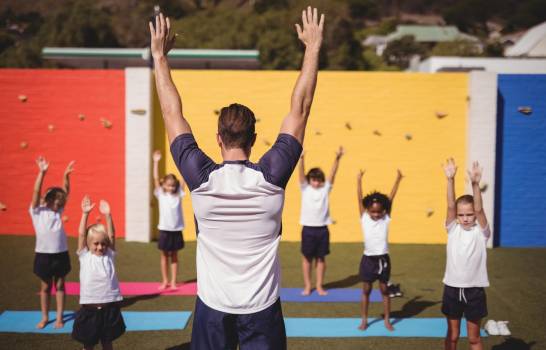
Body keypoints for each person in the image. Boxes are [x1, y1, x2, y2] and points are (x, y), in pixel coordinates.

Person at [149, 7, 324, 349]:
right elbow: (300, 108)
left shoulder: (200, 178)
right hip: (262, 310)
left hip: (213, 310)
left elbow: (171, 112)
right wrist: (313, 48)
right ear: (255, 139)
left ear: (218, 138)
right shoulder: (271, 177)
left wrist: (159, 55)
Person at [442, 159, 489, 350]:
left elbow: (479, 209)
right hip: (452, 289)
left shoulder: (482, 232)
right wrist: (450, 180)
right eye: (462, 215)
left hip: (474, 291)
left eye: (469, 214)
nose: (465, 218)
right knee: (452, 336)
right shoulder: (453, 229)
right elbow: (451, 205)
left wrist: (475, 184)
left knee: (473, 338)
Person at [72, 196, 125, 350]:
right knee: (88, 344)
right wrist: (85, 214)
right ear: (89, 244)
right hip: (89, 310)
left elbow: (112, 235)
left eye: (103, 243)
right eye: (96, 243)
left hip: (109, 309)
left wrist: (108, 215)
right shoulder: (84, 255)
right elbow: (81, 234)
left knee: (107, 343)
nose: (100, 247)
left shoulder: (110, 254)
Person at [356, 168, 403, 331]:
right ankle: (364, 320)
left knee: (384, 290)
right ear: (367, 209)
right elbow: (359, 198)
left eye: (378, 211)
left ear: (383, 210)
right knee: (366, 290)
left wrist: (398, 180)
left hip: (383, 260)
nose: (376, 214)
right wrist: (359, 180)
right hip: (368, 260)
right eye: (372, 211)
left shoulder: (386, 218)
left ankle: (387, 320)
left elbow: (391, 198)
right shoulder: (364, 217)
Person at [30, 156, 74, 329]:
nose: (59, 202)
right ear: (47, 199)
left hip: (60, 253)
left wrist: (66, 175)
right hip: (43, 254)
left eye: (60, 201)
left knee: (61, 285)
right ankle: (45, 316)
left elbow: (66, 191)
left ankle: (59, 317)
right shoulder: (36, 211)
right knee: (45, 286)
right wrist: (42, 172)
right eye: (56, 199)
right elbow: (36, 192)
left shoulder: (58, 211)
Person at [298, 147, 344, 296]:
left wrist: (337, 159)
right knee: (306, 259)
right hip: (308, 229)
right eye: (314, 180)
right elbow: (300, 175)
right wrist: (301, 159)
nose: (316, 183)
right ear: (309, 180)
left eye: (319, 180)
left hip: (322, 229)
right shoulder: (305, 188)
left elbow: (332, 174)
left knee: (321, 259)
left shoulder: (325, 189)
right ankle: (307, 286)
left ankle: (319, 286)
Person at [152, 150, 186, 290]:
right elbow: (155, 178)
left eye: (173, 185)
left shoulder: (179, 194)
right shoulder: (161, 194)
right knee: (164, 256)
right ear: (163, 185)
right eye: (168, 185)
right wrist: (156, 162)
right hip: (164, 230)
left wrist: (183, 162)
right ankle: (165, 281)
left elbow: (184, 177)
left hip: (176, 230)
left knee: (175, 256)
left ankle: (173, 282)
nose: (171, 187)